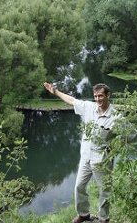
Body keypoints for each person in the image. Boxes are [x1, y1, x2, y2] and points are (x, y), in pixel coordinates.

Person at [43, 82, 131, 223]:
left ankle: (103, 218)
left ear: (108, 95)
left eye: (101, 96)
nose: (98, 99)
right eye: (95, 96)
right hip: (85, 158)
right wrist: (56, 92)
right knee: (79, 186)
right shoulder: (89, 108)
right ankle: (83, 214)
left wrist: (115, 148)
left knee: (104, 191)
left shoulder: (116, 117)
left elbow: (130, 135)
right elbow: (72, 100)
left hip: (102, 161)